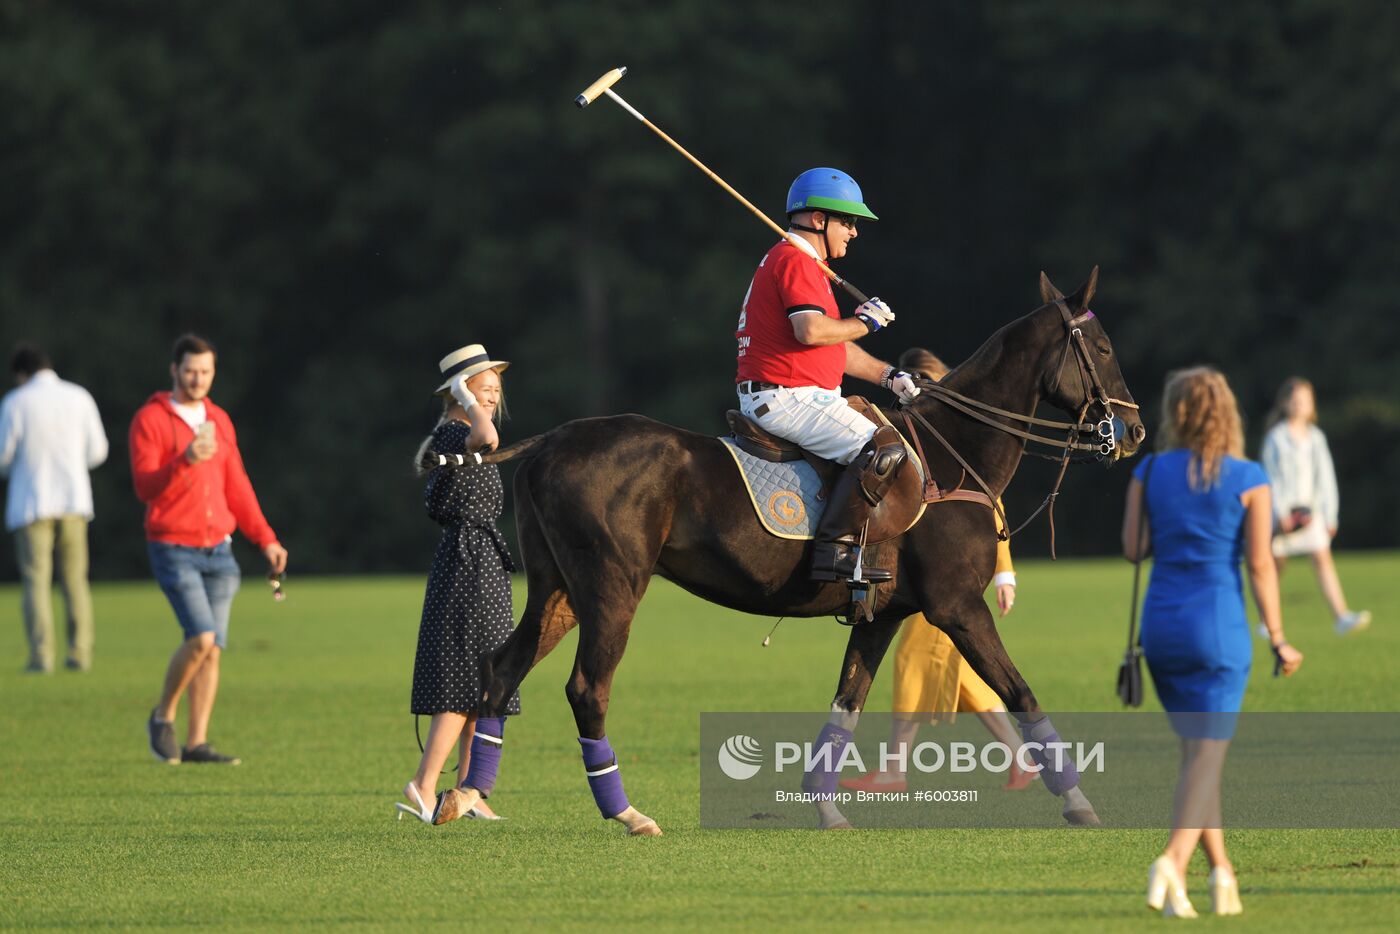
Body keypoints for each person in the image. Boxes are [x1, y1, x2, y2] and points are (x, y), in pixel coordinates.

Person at [1122, 366, 1303, 918]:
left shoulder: (1149, 470)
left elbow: (1134, 548)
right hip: (1219, 629)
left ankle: (1222, 875)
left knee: (1199, 757)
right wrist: (1278, 636)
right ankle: (1173, 861)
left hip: (1163, 628)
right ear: (1228, 414)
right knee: (1207, 755)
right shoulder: (1249, 477)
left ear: (1175, 412)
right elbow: (1260, 566)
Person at [840, 349, 1034, 794]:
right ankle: (1021, 758)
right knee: (967, 672)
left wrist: (1004, 573)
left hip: (946, 577)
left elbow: (988, 512)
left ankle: (895, 769)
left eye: (928, 382)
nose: (921, 391)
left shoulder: (950, 447)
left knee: (914, 660)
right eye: (917, 383)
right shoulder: (917, 444)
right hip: (924, 571)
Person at [734, 167, 921, 583]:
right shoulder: (796, 260)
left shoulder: (801, 262)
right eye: (848, 221)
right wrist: (865, 322)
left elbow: (829, 344)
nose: (854, 232)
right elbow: (813, 330)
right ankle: (835, 552)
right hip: (787, 396)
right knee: (884, 448)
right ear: (819, 220)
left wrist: (887, 375)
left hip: (793, 393)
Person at [130, 334, 288, 765]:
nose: (197, 379)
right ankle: (162, 717)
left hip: (219, 549)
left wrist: (266, 537)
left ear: (213, 372)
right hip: (172, 545)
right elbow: (145, 486)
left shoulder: (219, 419)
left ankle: (197, 743)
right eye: (190, 370)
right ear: (174, 370)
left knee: (213, 647)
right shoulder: (150, 419)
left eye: (205, 371)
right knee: (200, 637)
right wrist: (184, 458)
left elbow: (236, 484)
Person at [397, 344, 519, 825]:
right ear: (458, 392)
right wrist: (468, 401)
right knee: (461, 682)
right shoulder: (458, 430)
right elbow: (487, 437)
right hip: (467, 563)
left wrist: (472, 399)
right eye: (482, 389)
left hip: (483, 561)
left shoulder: (464, 430)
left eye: (493, 390)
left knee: (485, 683)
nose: (490, 398)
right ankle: (424, 784)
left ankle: (468, 790)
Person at [0, 344, 108, 673]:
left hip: (31, 503)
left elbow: (3, 457)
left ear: (21, 373)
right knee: (75, 580)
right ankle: (79, 652)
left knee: (36, 581)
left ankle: (41, 655)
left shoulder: (16, 402)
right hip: (74, 500)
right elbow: (98, 451)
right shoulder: (79, 397)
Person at [1261, 377, 1370, 636]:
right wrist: (1280, 514)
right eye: (1295, 400)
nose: (1300, 406)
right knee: (1275, 567)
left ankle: (1341, 615)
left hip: (1312, 515)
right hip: (1284, 516)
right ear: (1285, 403)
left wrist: (1329, 516)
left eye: (1305, 401)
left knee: (1323, 560)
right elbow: (1270, 479)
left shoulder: (1316, 438)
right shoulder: (1275, 439)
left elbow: (1325, 478)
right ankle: (1268, 621)